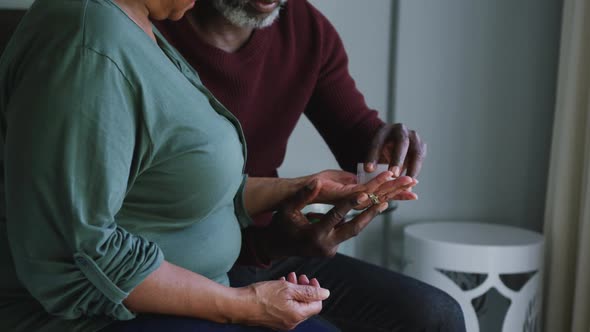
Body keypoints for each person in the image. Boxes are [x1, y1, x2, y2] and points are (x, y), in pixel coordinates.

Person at [0, 0, 419, 331]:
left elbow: (173, 180)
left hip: (219, 265)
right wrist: (244, 306)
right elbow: (79, 250)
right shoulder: (92, 42)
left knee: (430, 314)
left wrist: (305, 186)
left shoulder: (140, 21)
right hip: (118, 304)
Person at [154, 1, 467, 331]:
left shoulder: (304, 29)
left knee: (436, 316)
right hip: (177, 259)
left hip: (265, 248)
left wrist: (384, 156)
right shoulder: (147, 31)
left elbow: (356, 134)